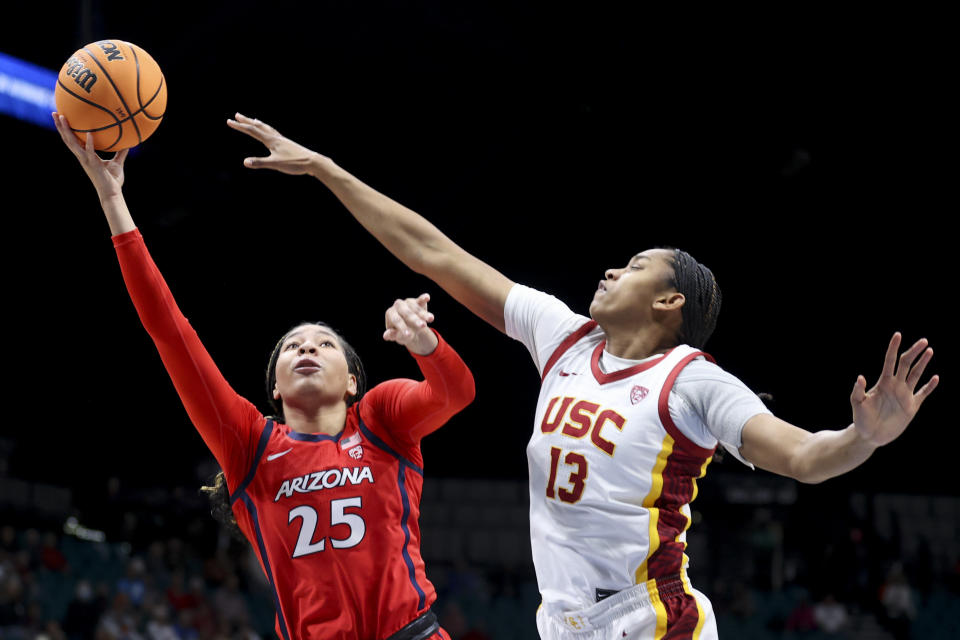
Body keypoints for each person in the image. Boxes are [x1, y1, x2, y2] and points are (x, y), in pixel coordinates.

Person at [225, 114, 940, 640]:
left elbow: (804, 457)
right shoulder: (562, 335)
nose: (609, 270)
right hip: (562, 622)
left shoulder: (691, 381)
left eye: (633, 267)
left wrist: (862, 437)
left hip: (653, 620)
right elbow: (431, 251)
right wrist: (325, 169)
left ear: (669, 302)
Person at [53, 113, 476, 640]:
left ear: (352, 382)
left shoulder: (381, 419)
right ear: (274, 387)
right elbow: (170, 333)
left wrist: (426, 345)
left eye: (324, 343)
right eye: (292, 345)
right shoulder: (249, 445)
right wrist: (113, 200)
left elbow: (456, 394)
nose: (307, 347)